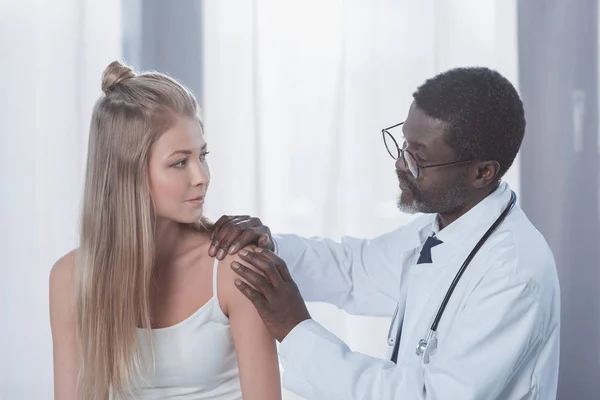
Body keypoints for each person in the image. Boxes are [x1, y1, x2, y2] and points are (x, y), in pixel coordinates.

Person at [208, 67, 561, 399]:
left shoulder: (513, 273)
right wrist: (269, 249)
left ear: (482, 172)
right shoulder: (443, 227)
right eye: (403, 143)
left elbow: (430, 396)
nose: (399, 163)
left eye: (417, 157)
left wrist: (295, 329)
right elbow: (354, 270)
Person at [49, 61, 282, 400]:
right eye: (179, 162)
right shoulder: (70, 279)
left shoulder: (233, 269)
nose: (201, 176)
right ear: (127, 174)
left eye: (202, 156)